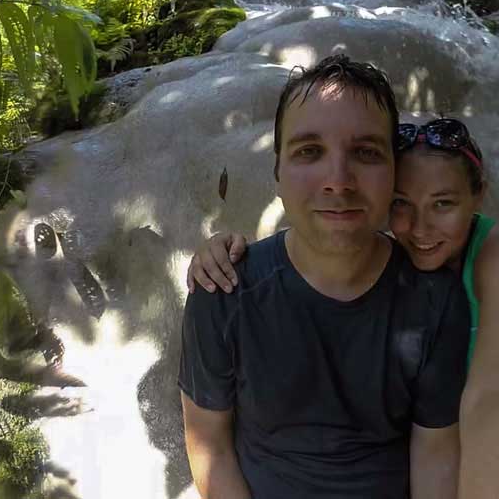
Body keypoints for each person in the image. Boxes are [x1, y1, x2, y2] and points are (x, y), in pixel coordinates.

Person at [189, 116, 499, 498]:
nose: (420, 228)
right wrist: (222, 251)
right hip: (474, 460)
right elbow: (306, 250)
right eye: (402, 204)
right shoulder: (390, 255)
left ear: (478, 196)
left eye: (443, 203)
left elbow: (495, 394)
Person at [178, 57, 470, 499]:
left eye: (366, 153)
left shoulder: (436, 300)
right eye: (309, 151)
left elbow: (436, 453)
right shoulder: (222, 292)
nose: (338, 181)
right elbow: (209, 444)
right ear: (277, 173)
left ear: (395, 172)